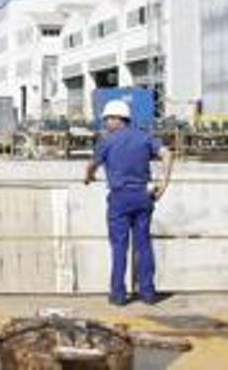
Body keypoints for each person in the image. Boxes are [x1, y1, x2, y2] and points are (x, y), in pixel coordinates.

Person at [84, 99, 174, 306]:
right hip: (143, 196)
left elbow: (92, 165)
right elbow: (167, 154)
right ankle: (148, 293)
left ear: (117, 119)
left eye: (108, 119)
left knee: (119, 247)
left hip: (119, 198)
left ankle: (118, 294)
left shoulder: (107, 141)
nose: (106, 123)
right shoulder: (145, 137)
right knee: (143, 245)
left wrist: (88, 178)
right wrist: (164, 183)